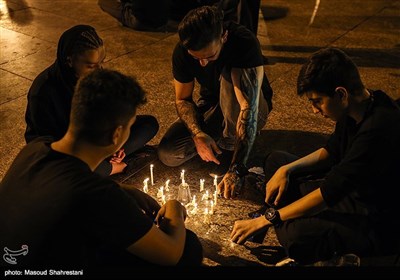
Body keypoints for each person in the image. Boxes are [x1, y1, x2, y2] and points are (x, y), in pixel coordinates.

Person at [0, 69, 203, 267]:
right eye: (130, 126)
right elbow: (170, 255)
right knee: (189, 246)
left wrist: (125, 190)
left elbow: (57, 191)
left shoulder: (35, 149)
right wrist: (175, 207)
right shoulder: (98, 195)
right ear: (117, 135)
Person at [230, 47, 400, 266]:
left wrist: (267, 219)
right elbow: (331, 152)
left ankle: (323, 245)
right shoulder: (359, 107)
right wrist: (286, 170)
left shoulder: (377, 129)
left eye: (317, 101)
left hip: (374, 217)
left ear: (341, 94)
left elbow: (328, 194)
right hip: (345, 190)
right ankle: (287, 211)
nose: (314, 110)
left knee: (296, 237)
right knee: (276, 161)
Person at [157, 5, 273, 200]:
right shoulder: (183, 51)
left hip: (250, 105)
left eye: (210, 56)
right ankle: (220, 141)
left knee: (229, 75)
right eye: (197, 58)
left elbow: (248, 109)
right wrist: (198, 134)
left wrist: (236, 170)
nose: (203, 63)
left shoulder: (242, 42)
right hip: (212, 106)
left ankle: (229, 148)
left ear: (223, 37)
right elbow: (183, 99)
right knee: (168, 154)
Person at [24, 24, 159, 176]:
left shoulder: (95, 77)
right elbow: (50, 147)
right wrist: (112, 168)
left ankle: (109, 160)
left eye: (101, 63)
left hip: (93, 140)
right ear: (70, 61)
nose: (99, 70)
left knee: (148, 125)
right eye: (91, 65)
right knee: (73, 168)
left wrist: (117, 146)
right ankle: (108, 167)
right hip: (63, 153)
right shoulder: (43, 91)